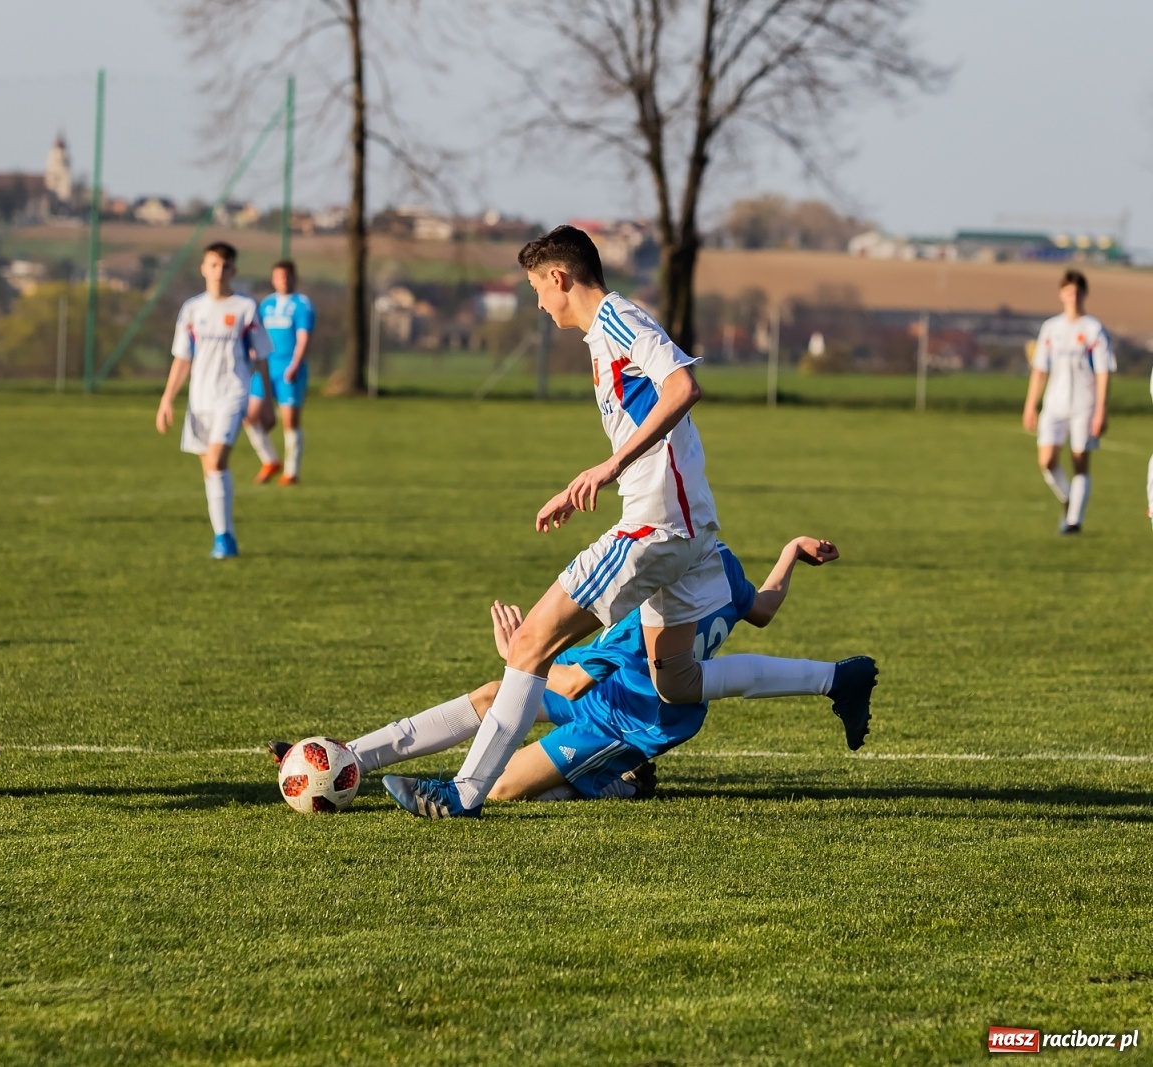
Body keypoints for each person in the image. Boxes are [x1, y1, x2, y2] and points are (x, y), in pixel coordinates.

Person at [382, 226, 876, 819]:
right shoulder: (604, 336)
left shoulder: (618, 322)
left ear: (559, 279)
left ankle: (462, 794)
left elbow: (683, 386)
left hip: (654, 531)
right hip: (691, 539)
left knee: (530, 645)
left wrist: (611, 466)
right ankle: (838, 679)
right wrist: (585, 483)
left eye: (538, 289)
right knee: (678, 685)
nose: (538, 304)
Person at [271, 537, 871, 804]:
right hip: (607, 694)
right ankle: (353, 756)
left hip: (627, 723)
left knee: (505, 787)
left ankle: (622, 783)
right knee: (490, 696)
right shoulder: (719, 563)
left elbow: (573, 680)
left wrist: (521, 660)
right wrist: (789, 553)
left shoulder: (656, 602)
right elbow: (761, 609)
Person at [157, 242, 275, 559]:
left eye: (225, 266)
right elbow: (182, 359)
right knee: (210, 470)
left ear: (234, 270)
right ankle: (226, 535)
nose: (219, 271)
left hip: (233, 394)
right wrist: (167, 399)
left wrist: (265, 400)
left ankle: (223, 539)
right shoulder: (192, 310)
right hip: (200, 400)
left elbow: (262, 356)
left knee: (216, 461)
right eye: (213, 265)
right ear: (203, 268)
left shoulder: (245, 308)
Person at [1021, 270, 1114, 535]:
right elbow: (1040, 370)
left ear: (1084, 294)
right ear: (1061, 294)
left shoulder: (1094, 329)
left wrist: (1101, 410)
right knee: (1047, 460)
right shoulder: (1051, 329)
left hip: (1084, 404)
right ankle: (1069, 497)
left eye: (1077, 292)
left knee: (1079, 460)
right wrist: (1031, 405)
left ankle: (1074, 522)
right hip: (1054, 404)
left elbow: (1104, 371)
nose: (1072, 297)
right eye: (1068, 292)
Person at [242, 260, 314, 485]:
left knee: (289, 421)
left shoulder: (302, 304)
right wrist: (253, 354)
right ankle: (270, 460)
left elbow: (304, 337)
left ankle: (291, 473)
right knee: (249, 417)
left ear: (294, 278)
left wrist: (295, 365)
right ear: (273, 279)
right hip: (265, 368)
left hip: (289, 369)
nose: (283, 280)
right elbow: (257, 334)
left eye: (287, 276)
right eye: (279, 277)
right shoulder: (266, 304)